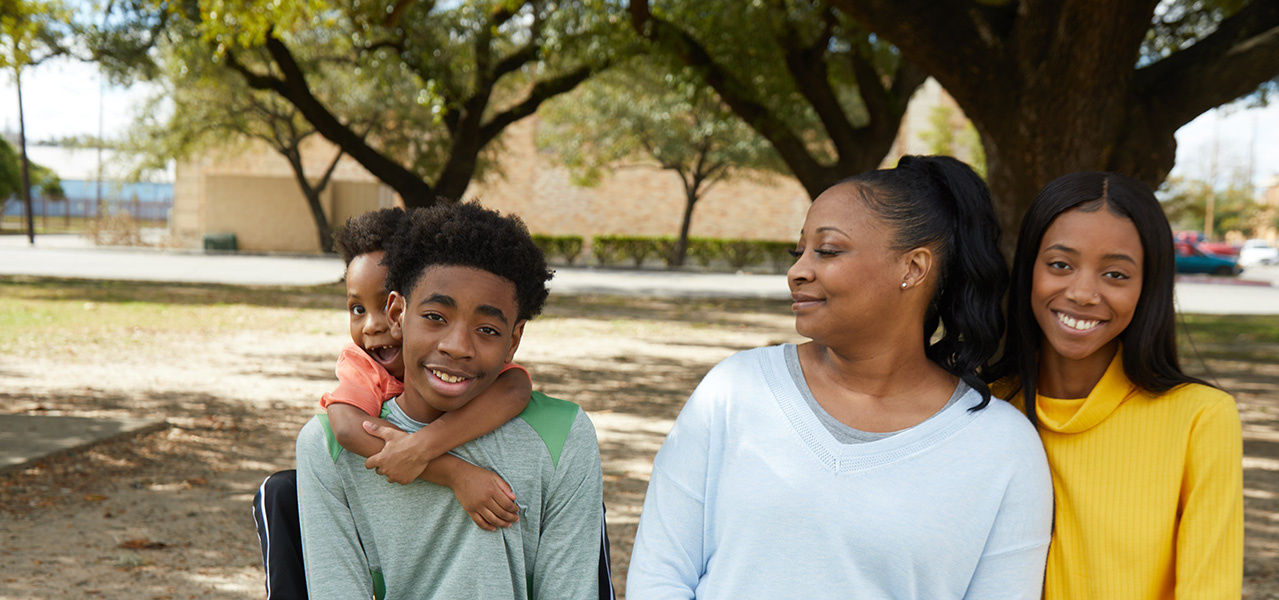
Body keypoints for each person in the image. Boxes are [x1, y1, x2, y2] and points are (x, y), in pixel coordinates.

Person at [627, 155, 1053, 598]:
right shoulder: (734, 390)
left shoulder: (1002, 448)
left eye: (827, 251)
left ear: (913, 267)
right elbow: (659, 577)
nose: (797, 271)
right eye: (800, 251)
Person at [295, 202, 604, 599]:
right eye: (435, 317)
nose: (457, 347)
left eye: (488, 329)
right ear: (397, 313)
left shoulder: (563, 436)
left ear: (514, 341)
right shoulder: (328, 447)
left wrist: (424, 448)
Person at [253, 207, 537, 599]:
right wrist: (454, 472)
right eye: (357, 309)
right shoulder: (362, 365)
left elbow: (517, 386)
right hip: (385, 511)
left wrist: (424, 444)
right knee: (281, 492)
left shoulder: (460, 357)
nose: (373, 325)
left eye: (383, 303)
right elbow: (350, 428)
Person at [988, 171, 1243, 599]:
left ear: (1148, 287)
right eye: (1060, 265)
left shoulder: (1201, 418)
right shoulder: (984, 408)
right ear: (1028, 269)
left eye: (1116, 275)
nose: (1084, 293)